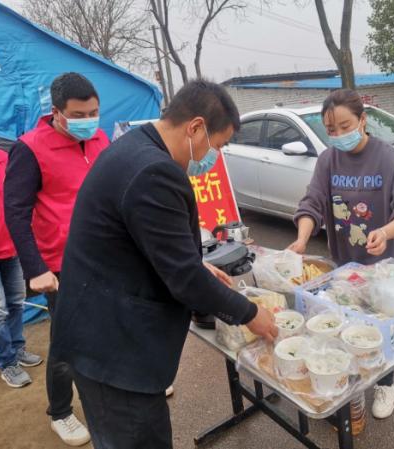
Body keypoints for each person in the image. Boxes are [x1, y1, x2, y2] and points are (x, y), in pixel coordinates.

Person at [50, 80, 278, 449]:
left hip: (97, 334)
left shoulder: (133, 147)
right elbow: (184, 279)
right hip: (115, 353)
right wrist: (250, 313)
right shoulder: (154, 172)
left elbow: (143, 243)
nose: (215, 156)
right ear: (196, 128)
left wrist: (195, 264)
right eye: (217, 146)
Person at [288, 89, 394, 419]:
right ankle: (349, 386)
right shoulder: (328, 160)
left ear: (362, 120)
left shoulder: (388, 158)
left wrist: (386, 232)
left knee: (382, 332)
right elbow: (313, 202)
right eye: (330, 129)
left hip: (382, 269)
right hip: (343, 267)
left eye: (344, 126)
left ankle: (385, 385)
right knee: (345, 328)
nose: (338, 135)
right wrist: (302, 239)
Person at [4, 73, 109, 446]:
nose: (88, 121)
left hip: (105, 256)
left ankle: (116, 390)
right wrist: (36, 269)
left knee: (112, 327)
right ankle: (61, 412)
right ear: (57, 112)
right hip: (60, 266)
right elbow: (15, 213)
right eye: (79, 115)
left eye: (93, 112)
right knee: (67, 341)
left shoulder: (100, 139)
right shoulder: (29, 149)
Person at [0, 112, 43, 388]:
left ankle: (17, 348)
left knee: (15, 302)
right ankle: (7, 362)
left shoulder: (4, 158)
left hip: (11, 248)